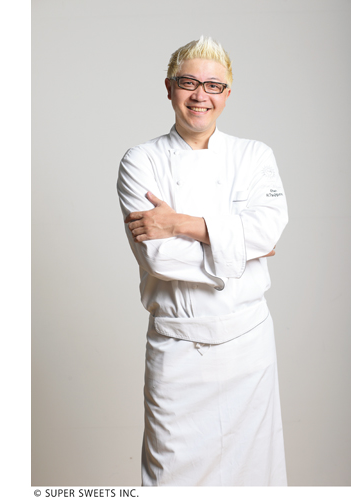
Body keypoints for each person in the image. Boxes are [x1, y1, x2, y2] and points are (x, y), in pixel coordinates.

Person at [117, 36, 289, 486]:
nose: (200, 96)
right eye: (188, 82)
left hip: (249, 346)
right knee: (172, 476)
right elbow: (159, 258)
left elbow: (268, 231)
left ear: (227, 94)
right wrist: (240, 245)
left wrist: (179, 223)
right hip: (179, 349)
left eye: (214, 86)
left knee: (255, 476)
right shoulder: (141, 161)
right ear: (169, 87)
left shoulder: (254, 155)